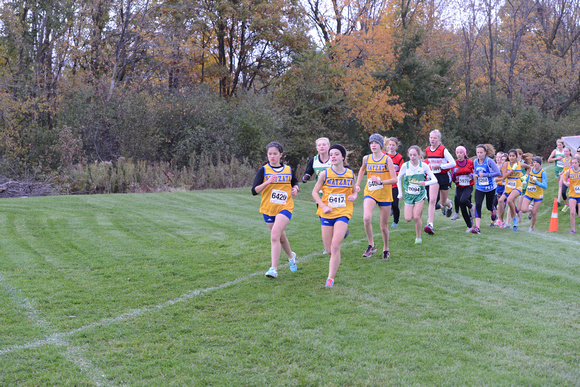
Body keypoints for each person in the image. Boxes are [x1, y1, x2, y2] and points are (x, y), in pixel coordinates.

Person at [311, 144, 357, 287]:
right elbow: (314, 192)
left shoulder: (350, 174)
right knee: (329, 249)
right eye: (331, 154)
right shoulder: (325, 174)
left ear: (343, 157)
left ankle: (330, 278)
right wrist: (323, 206)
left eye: (336, 154)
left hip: (343, 212)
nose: (333, 157)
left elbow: (354, 190)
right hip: (327, 213)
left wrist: (354, 196)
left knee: (336, 246)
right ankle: (343, 233)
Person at [251, 142, 299, 278]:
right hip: (268, 208)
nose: (272, 156)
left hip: (285, 207)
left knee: (274, 236)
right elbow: (254, 191)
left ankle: (273, 269)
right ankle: (291, 256)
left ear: (281, 155)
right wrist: (267, 182)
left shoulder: (288, 169)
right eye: (270, 154)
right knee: (281, 237)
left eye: (275, 154)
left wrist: (295, 188)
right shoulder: (264, 170)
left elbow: (294, 181)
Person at [355, 134, 398, 260]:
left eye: (376, 143)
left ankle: (386, 248)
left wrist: (382, 182)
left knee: (383, 226)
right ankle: (371, 245)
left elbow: (394, 179)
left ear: (381, 145)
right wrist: (357, 184)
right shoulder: (366, 158)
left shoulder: (387, 160)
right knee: (366, 218)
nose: (373, 145)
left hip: (384, 194)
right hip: (371, 192)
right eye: (371, 143)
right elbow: (362, 170)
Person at [397, 146, 437, 244]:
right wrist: (400, 193)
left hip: (420, 195)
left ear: (419, 155)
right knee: (408, 218)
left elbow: (435, 180)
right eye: (410, 155)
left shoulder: (423, 166)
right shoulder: (405, 166)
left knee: (416, 217)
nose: (412, 157)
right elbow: (398, 178)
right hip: (409, 195)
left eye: (414, 155)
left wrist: (425, 183)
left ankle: (418, 238)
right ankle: (419, 216)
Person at [302, 137, 335, 253]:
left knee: (335, 217)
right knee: (324, 219)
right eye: (319, 145)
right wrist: (306, 177)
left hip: (334, 194)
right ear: (316, 148)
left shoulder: (334, 158)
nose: (322, 146)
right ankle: (329, 246)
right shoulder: (314, 160)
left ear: (328, 146)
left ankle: (340, 231)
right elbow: (308, 171)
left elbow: (345, 169)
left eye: (324, 144)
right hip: (320, 195)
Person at [424, 129, 456, 235]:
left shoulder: (443, 150)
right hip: (434, 176)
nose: (432, 139)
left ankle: (449, 204)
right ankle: (430, 224)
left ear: (439, 139)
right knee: (432, 200)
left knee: (442, 201)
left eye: (434, 138)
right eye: (431, 137)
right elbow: (430, 163)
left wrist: (440, 166)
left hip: (444, 176)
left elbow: (453, 163)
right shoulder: (428, 150)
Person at [499, 149, 531, 231]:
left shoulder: (519, 164)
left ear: (516, 157)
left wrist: (525, 177)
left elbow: (529, 168)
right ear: (508, 157)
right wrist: (512, 170)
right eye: (510, 156)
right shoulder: (506, 164)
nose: (511, 157)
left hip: (517, 187)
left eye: (513, 156)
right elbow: (504, 176)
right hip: (508, 187)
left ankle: (514, 219)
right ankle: (501, 220)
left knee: (509, 200)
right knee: (500, 201)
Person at [473, 144, 501, 232]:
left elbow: (498, 173)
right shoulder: (475, 162)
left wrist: (485, 175)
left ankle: (493, 211)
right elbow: (475, 171)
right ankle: (477, 227)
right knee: (478, 204)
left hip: (490, 188)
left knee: (489, 206)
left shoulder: (489, 161)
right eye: (477, 152)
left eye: (481, 152)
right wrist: (474, 175)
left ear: (485, 152)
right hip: (479, 188)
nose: (479, 154)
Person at [451, 146, 477, 233]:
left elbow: (475, 172)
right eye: (457, 152)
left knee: (463, 200)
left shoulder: (470, 162)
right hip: (459, 187)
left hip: (468, 186)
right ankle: (469, 226)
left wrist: (472, 175)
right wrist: (454, 173)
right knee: (462, 207)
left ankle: (471, 206)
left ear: (464, 154)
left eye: (461, 152)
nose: (459, 154)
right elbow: (453, 179)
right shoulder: (454, 164)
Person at [519, 156, 547, 232]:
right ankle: (531, 207)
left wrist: (537, 182)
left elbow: (545, 186)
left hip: (538, 195)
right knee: (524, 210)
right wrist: (524, 182)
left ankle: (531, 227)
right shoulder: (531, 169)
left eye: (537, 162)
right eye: (534, 162)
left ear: (540, 164)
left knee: (534, 213)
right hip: (529, 193)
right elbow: (528, 177)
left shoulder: (542, 172)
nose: (535, 164)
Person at [384, 137, 405, 228]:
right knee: (385, 204)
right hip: (385, 184)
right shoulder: (384, 155)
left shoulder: (399, 158)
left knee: (396, 204)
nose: (391, 147)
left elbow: (402, 171)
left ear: (396, 146)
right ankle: (385, 219)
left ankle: (396, 221)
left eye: (393, 145)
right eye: (390, 145)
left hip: (395, 184)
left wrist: (393, 173)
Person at [562, 155, 580, 233]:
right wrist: (566, 183)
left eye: (575, 163)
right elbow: (564, 180)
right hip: (572, 194)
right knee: (572, 212)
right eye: (572, 163)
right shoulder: (568, 172)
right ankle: (573, 230)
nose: (574, 164)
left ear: (579, 163)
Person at [548, 139, 565, 203]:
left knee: (561, 184)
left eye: (560, 145)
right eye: (558, 145)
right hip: (557, 169)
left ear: (563, 145)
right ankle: (563, 195)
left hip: (563, 169)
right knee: (560, 185)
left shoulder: (565, 151)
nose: (559, 146)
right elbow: (549, 160)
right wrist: (557, 158)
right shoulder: (555, 151)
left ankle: (558, 199)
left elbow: (571, 158)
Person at [559, 147, 573, 212]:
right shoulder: (563, 160)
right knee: (563, 192)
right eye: (564, 151)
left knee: (572, 192)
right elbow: (564, 168)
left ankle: (573, 204)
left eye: (567, 151)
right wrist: (561, 172)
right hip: (565, 178)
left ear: (570, 152)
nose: (565, 153)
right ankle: (566, 204)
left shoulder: (572, 160)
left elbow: (572, 168)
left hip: (571, 178)